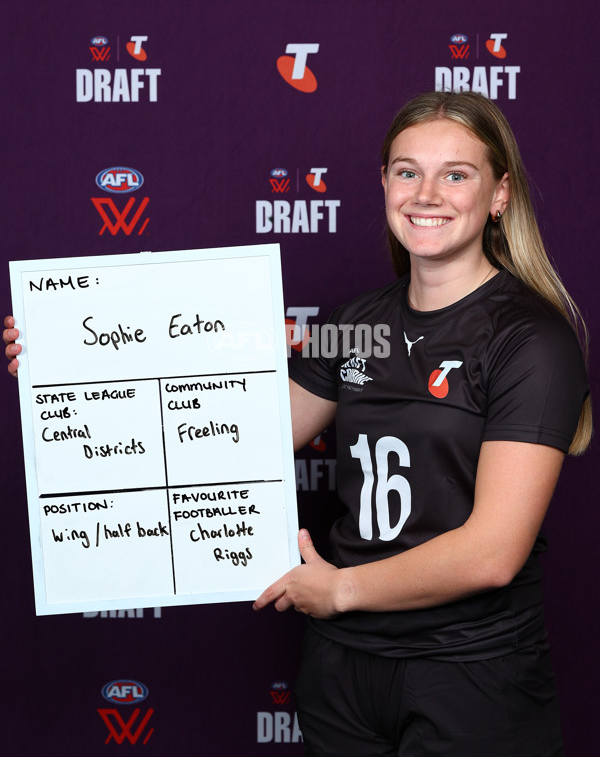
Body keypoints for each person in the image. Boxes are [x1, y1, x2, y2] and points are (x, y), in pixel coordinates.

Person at [4, 91, 592, 755]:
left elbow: (493, 552)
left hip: (470, 671)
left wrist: (340, 587)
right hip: (342, 671)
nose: (427, 193)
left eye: (456, 174)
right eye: (407, 171)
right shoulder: (354, 327)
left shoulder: (527, 340)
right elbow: (231, 440)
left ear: (499, 194)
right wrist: (69, 366)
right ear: (384, 182)